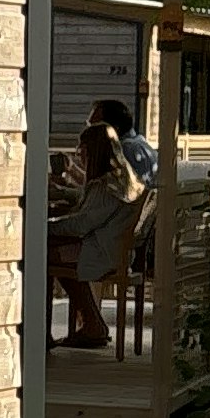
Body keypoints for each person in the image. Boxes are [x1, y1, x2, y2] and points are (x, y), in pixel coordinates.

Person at [45, 122, 142, 349]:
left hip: (99, 253)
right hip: (114, 250)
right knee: (56, 253)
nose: (80, 158)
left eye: (82, 152)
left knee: (44, 254)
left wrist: (46, 227)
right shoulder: (122, 180)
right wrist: (64, 192)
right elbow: (91, 204)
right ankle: (92, 323)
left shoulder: (104, 185)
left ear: (93, 152)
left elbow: (81, 224)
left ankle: (43, 332)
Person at [90, 96, 159, 185]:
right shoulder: (139, 144)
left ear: (113, 129)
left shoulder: (124, 151)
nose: (89, 131)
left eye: (94, 126)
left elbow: (106, 189)